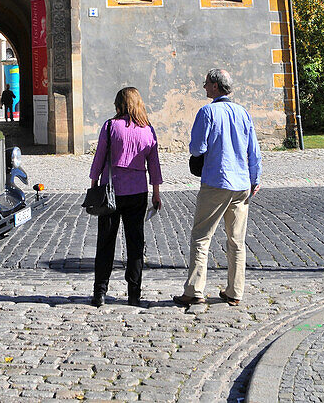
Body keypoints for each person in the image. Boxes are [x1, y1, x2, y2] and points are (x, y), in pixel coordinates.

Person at [173, 68, 261, 309]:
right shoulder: (243, 113)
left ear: (215, 86)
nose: (203, 87)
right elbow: (253, 150)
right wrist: (255, 178)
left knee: (201, 236)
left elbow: (197, 148)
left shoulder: (208, 112)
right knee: (236, 240)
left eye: (206, 84)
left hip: (216, 181)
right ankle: (235, 290)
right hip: (241, 183)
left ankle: (194, 289)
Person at [89, 86, 162, 307]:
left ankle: (100, 292)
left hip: (111, 191)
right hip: (138, 192)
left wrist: (93, 184)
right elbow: (154, 166)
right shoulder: (148, 130)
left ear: (119, 104)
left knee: (105, 243)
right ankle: (134, 294)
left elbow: (99, 158)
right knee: (135, 243)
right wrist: (156, 193)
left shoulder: (111, 126)